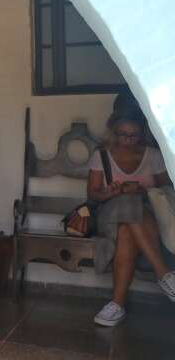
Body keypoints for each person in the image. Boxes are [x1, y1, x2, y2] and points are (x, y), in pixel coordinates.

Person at [89, 108, 175, 327]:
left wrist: (142, 190)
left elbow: (167, 189)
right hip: (110, 217)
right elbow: (93, 194)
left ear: (142, 133)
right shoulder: (102, 156)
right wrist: (112, 192)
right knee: (127, 205)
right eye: (122, 134)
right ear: (114, 132)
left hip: (147, 220)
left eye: (132, 135)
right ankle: (164, 274)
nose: (127, 140)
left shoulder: (153, 156)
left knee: (128, 226)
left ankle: (116, 306)